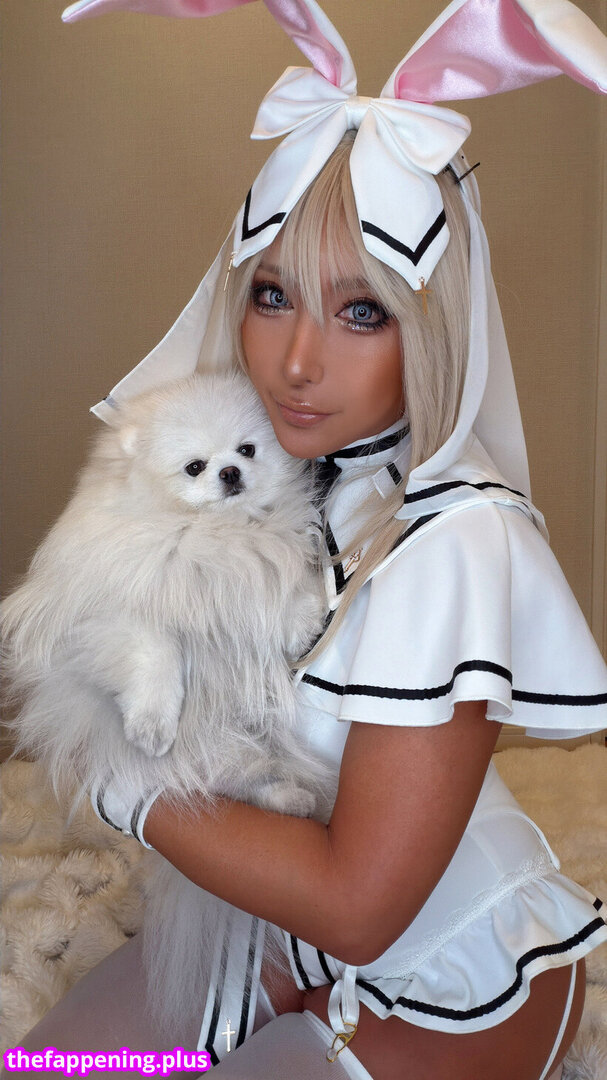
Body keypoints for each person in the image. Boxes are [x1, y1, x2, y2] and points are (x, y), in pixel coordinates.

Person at [12, 1, 607, 1078]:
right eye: (274, 296)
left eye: (360, 312)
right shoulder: (286, 478)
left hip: (454, 983)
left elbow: (359, 910)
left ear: (429, 326)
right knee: (54, 1067)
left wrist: (117, 783)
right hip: (288, 933)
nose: (293, 362)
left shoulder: (460, 545)